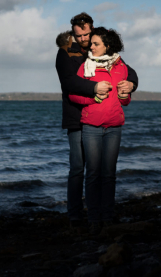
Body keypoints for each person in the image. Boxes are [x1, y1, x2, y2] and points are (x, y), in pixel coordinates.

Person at [55, 13, 138, 230]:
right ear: (73, 33)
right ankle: (75, 216)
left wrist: (130, 85)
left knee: (102, 172)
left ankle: (102, 215)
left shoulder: (105, 51)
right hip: (76, 117)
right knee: (78, 169)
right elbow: (69, 82)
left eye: (86, 34)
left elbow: (129, 73)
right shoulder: (66, 53)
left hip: (105, 119)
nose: (83, 39)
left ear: (92, 30)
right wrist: (94, 89)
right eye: (78, 35)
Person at [69, 27, 130, 234]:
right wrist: (93, 96)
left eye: (96, 44)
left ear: (108, 45)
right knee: (93, 174)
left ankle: (108, 217)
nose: (91, 47)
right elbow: (73, 95)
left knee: (109, 175)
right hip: (92, 127)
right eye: (91, 43)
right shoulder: (86, 67)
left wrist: (125, 94)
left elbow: (126, 100)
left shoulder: (121, 66)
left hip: (114, 127)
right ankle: (94, 219)